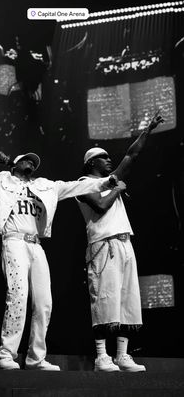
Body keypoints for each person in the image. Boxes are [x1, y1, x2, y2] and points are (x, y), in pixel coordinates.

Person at [0, 151, 114, 370]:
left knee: (44, 303)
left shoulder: (45, 186)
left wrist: (107, 182)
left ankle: (35, 358)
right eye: (26, 160)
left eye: (33, 162)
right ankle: (5, 354)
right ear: (15, 164)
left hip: (36, 246)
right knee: (18, 296)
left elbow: (76, 187)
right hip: (13, 241)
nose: (30, 163)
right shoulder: (0, 180)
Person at [77, 111, 164, 372]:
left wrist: (147, 130)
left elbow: (131, 155)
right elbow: (101, 206)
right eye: (103, 158)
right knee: (104, 299)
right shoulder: (83, 184)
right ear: (92, 163)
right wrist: (117, 188)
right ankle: (101, 356)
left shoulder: (110, 179)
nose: (109, 160)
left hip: (125, 244)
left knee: (127, 301)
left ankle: (122, 356)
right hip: (103, 246)